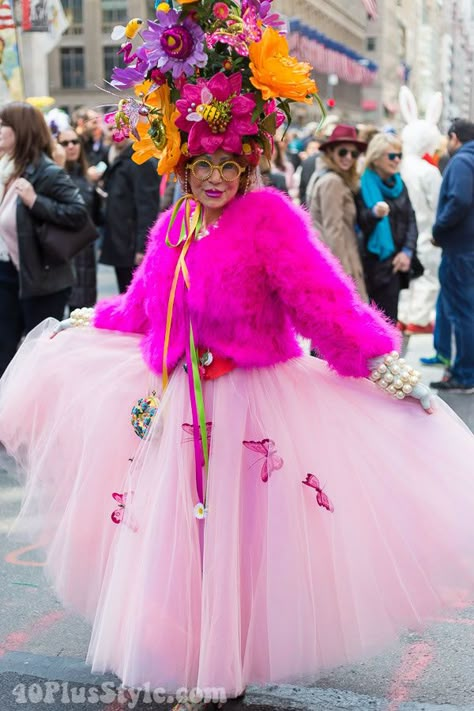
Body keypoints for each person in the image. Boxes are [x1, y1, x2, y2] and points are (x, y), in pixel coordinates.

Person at [0, 7, 473, 711]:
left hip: (254, 401)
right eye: (202, 165)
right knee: (182, 544)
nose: (215, 176)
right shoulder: (176, 222)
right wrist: (84, 320)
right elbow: (142, 309)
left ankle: (221, 663)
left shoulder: (270, 218)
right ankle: (191, 654)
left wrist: (386, 366)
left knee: (236, 542)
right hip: (180, 404)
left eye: (228, 163)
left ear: (248, 162)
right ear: (183, 167)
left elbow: (325, 304)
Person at [0, 102, 88, 378]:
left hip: (41, 279)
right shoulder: (6, 168)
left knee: (38, 356)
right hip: (7, 275)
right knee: (4, 351)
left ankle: (37, 415)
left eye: (4, 124)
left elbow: (78, 212)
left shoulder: (45, 171)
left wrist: (35, 201)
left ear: (21, 131)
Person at [429, 118, 474, 393]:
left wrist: (439, 227)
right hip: (466, 249)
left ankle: (466, 374)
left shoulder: (461, 161)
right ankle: (464, 370)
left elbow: (459, 199)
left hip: (460, 250)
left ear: (454, 137)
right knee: (465, 311)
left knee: (462, 313)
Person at [356, 133, 420, 324]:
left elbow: (411, 219)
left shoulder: (399, 184)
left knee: (389, 322)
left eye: (399, 155)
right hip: (370, 264)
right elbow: (360, 222)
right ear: (376, 158)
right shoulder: (361, 185)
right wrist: (374, 213)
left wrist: (407, 252)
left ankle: (389, 355)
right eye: (392, 156)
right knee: (371, 323)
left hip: (394, 264)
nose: (397, 160)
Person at [396, 87, 443, 335]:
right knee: (426, 275)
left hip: (402, 229)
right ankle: (420, 318)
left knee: (406, 274)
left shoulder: (398, 164)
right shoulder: (428, 171)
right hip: (426, 229)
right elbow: (438, 203)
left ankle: (402, 316)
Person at [307, 124, 368, 299]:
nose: (348, 157)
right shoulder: (332, 182)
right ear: (331, 152)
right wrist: (343, 275)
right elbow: (333, 231)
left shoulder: (333, 179)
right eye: (343, 152)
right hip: (341, 265)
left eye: (353, 153)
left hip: (342, 261)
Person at [99, 137, 161, 293]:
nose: (115, 133)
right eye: (112, 128)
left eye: (119, 127)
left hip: (131, 246)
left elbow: (147, 207)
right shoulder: (115, 156)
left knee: (135, 296)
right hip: (121, 243)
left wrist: (142, 247)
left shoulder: (140, 160)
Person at [58, 127, 101, 312]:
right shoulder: (54, 176)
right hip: (60, 250)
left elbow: (97, 215)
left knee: (82, 312)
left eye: (75, 142)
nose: (71, 146)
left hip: (84, 249)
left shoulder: (87, 176)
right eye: (65, 143)